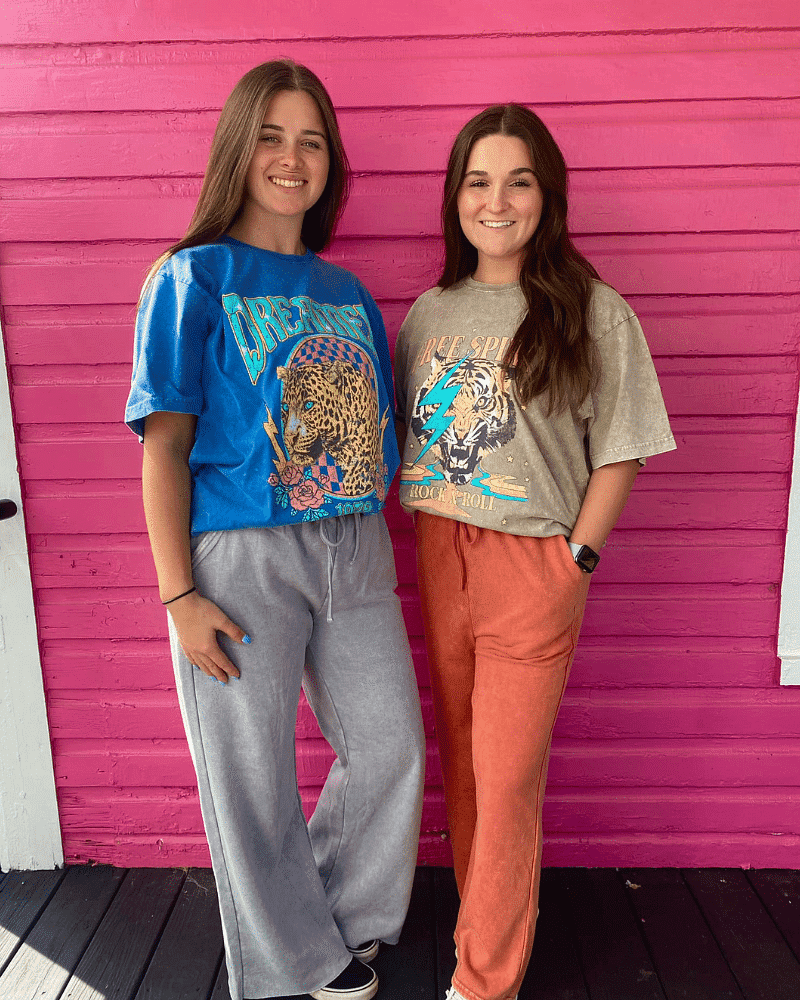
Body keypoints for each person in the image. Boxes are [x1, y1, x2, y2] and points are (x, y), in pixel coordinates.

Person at [125, 60, 425, 1000]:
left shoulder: (349, 294)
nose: (292, 159)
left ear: (331, 161)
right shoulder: (189, 279)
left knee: (391, 748)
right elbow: (164, 449)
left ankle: (339, 920)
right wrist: (180, 595)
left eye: (311, 140)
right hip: (239, 553)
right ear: (238, 150)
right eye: (271, 137)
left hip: (354, 544)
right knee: (249, 774)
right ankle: (296, 962)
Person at [394, 104, 676, 1000]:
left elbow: (622, 445)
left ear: (548, 196)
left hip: (533, 566)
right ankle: (486, 933)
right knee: (467, 764)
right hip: (441, 553)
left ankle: (485, 981)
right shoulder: (429, 314)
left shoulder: (593, 310)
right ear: (456, 197)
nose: (498, 199)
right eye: (479, 180)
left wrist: (576, 560)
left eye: (519, 180)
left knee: (509, 777)